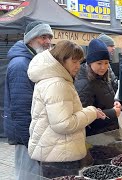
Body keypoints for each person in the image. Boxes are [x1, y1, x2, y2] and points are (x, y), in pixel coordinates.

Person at [27, 40, 106, 179]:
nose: (78, 66)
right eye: (74, 61)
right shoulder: (58, 83)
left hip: (53, 151)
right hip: (60, 155)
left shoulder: (51, 78)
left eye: (79, 61)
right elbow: (64, 124)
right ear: (61, 60)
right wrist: (91, 112)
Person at [3, 21, 53, 179]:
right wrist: (31, 142)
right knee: (28, 176)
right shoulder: (21, 64)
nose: (47, 42)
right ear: (30, 39)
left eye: (49, 37)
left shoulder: (35, 60)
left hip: (35, 133)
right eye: (43, 37)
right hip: (28, 136)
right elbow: (22, 110)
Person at [75, 39, 122, 135]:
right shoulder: (84, 83)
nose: (103, 67)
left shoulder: (103, 77)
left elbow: (104, 101)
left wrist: (116, 103)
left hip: (108, 132)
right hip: (96, 137)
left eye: (106, 63)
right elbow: (85, 118)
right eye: (99, 63)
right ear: (90, 63)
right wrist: (113, 113)